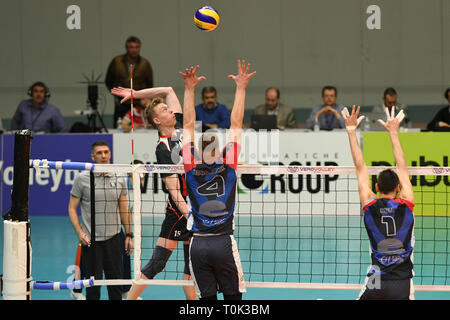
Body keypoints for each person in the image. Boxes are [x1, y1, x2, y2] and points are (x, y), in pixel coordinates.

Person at [111, 86, 197, 300]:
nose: (171, 111)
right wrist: (189, 216)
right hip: (180, 214)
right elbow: (174, 192)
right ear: (157, 121)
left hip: (195, 210)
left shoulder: (179, 131)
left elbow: (168, 89)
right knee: (157, 263)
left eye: (169, 109)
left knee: (191, 269)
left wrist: (135, 95)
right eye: (165, 110)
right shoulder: (163, 148)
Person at [180, 61, 255, 300]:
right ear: (219, 150)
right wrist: (241, 88)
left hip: (198, 246)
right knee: (234, 299)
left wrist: (189, 88)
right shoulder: (228, 165)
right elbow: (236, 123)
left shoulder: (190, 165)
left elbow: (188, 124)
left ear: (198, 152)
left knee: (207, 302)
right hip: (223, 243)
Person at [342, 105, 415, 300]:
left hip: (377, 279)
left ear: (376, 187)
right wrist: (393, 133)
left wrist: (351, 131)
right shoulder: (407, 203)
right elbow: (402, 166)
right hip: (402, 282)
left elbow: (360, 167)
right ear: (398, 188)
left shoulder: (369, 205)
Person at [68, 140, 133, 300]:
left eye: (106, 152)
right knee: (92, 289)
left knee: (116, 287)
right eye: (99, 153)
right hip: (92, 241)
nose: (103, 156)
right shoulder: (82, 178)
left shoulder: (119, 177)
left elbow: (124, 208)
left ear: (110, 154)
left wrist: (129, 235)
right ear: (93, 156)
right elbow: (71, 208)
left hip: (114, 239)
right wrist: (80, 232)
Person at [105, 36, 153, 128]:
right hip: (121, 102)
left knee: (141, 128)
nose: (134, 50)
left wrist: (145, 98)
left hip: (139, 103)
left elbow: (149, 84)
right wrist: (117, 94)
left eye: (137, 47)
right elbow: (108, 80)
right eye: (131, 47)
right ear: (127, 48)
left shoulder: (145, 64)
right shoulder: (117, 61)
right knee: (120, 127)